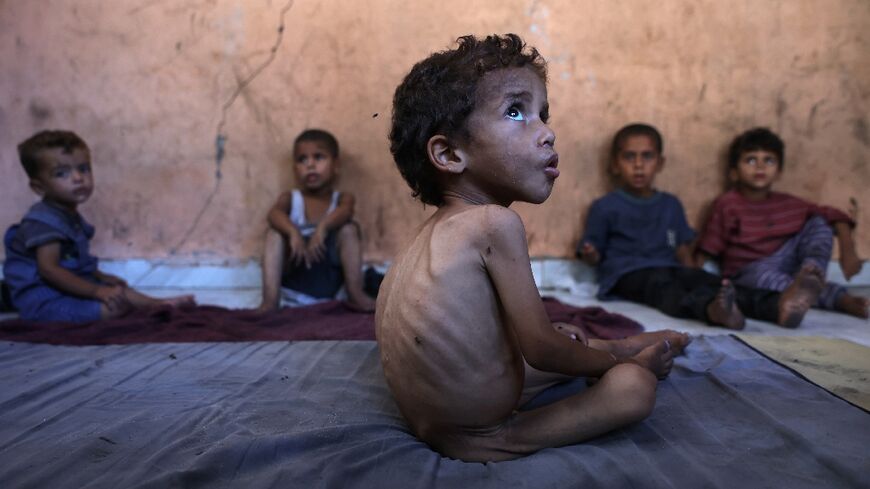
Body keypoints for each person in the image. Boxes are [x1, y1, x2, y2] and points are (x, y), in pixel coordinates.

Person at [376, 34, 690, 463]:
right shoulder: (493, 223)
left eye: (542, 114)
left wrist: (565, 345)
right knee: (634, 387)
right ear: (449, 154)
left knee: (566, 340)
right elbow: (541, 349)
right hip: (478, 433)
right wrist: (619, 368)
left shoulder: (428, 235)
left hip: (435, 414)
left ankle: (623, 344)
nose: (547, 132)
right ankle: (618, 360)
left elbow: (480, 337)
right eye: (515, 111)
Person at [578, 124, 821, 329]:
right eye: (629, 157)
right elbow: (593, 252)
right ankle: (712, 310)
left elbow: (682, 248)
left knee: (714, 283)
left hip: (671, 267)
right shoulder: (605, 206)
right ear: (615, 165)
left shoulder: (670, 204)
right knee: (665, 290)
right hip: (628, 274)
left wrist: (694, 272)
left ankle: (778, 306)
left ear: (660, 163)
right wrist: (591, 252)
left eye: (647, 156)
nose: (639, 165)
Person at [3, 130, 194, 323]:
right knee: (113, 309)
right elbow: (49, 270)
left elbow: (76, 262)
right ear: (39, 187)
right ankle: (133, 308)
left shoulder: (69, 216)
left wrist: (101, 277)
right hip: (45, 300)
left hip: (67, 288)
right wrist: (96, 291)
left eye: (83, 169)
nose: (78, 178)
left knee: (119, 292)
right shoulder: (43, 222)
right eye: (62, 173)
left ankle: (158, 303)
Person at [697, 127, 868, 319]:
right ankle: (839, 299)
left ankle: (811, 273)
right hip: (750, 269)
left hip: (791, 264)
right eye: (751, 160)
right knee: (766, 280)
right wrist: (694, 279)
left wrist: (848, 250)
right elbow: (708, 247)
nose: (760, 167)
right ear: (734, 173)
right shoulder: (728, 204)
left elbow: (834, 215)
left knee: (819, 222)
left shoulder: (788, 203)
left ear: (779, 172)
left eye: (769, 160)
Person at [257, 129, 375, 312]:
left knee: (349, 229)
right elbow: (273, 214)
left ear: (336, 164)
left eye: (318, 157)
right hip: (294, 287)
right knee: (274, 233)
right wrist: (293, 232)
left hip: (332, 288)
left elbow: (346, 211)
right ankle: (270, 301)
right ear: (295, 168)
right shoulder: (291, 198)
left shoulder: (342, 199)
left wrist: (322, 228)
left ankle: (356, 294)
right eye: (302, 159)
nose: (310, 165)